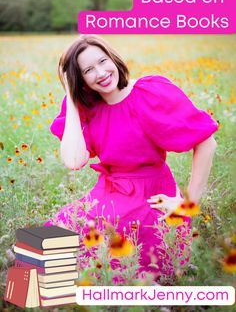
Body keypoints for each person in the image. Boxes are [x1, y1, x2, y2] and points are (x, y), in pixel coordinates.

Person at [45, 34, 218, 280]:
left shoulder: (149, 93)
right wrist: (71, 100)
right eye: (88, 70)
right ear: (79, 79)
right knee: (43, 248)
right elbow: (74, 161)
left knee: (117, 269)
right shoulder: (87, 108)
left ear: (113, 57)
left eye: (103, 61)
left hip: (150, 197)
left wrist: (189, 204)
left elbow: (206, 143)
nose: (101, 73)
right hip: (107, 193)